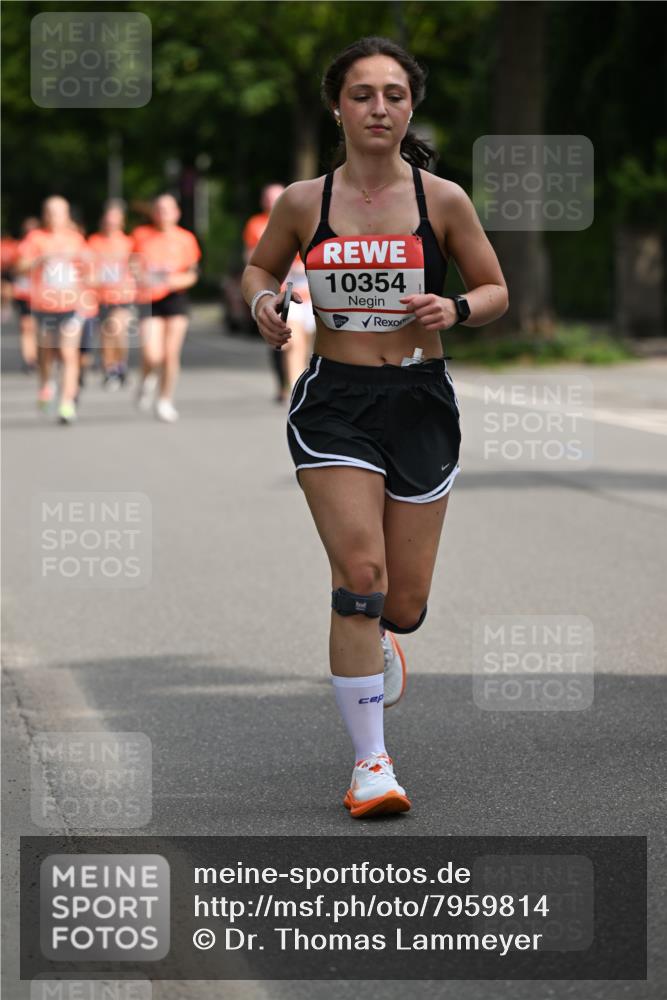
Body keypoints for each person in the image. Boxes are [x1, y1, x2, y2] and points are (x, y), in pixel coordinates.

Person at [242, 36, 508, 819]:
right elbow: (259, 269)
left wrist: (454, 307)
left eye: (394, 94)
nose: (378, 108)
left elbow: (494, 289)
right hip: (335, 403)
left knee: (403, 602)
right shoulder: (304, 202)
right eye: (361, 94)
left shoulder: (441, 200)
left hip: (419, 400)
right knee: (359, 577)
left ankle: (386, 635)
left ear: (410, 106)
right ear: (338, 107)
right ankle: (371, 765)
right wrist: (264, 303)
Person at [15, 197, 88, 424]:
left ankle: (66, 403)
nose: (54, 217)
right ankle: (46, 384)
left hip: (71, 305)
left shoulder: (76, 239)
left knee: (68, 353)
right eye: (50, 212)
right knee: (46, 354)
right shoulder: (35, 238)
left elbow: (89, 268)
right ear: (44, 214)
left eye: (59, 212)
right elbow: (19, 266)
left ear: (67, 215)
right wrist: (40, 260)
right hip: (44, 306)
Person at [243, 185, 316, 402]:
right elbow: (253, 260)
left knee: (305, 340)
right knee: (291, 339)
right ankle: (294, 387)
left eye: (276, 197)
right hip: (282, 280)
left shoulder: (303, 214)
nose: (271, 202)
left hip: (307, 278)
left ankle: (298, 380)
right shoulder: (256, 224)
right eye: (268, 198)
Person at [132, 194, 201, 422]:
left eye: (168, 209)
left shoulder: (186, 238)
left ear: (177, 213)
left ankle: (165, 400)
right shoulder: (141, 235)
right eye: (159, 209)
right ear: (153, 213)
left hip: (175, 298)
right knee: (152, 355)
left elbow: (192, 273)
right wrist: (143, 277)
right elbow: (133, 266)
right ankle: (146, 379)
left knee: (171, 354)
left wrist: (175, 281)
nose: (163, 214)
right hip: (149, 298)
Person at [88, 200, 135, 389]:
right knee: (106, 335)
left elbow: (138, 267)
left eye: (115, 221)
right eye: (108, 220)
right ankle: (109, 369)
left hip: (123, 295)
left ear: (121, 222)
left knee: (117, 329)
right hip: (100, 296)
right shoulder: (94, 242)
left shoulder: (129, 243)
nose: (111, 224)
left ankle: (121, 364)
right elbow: (87, 268)